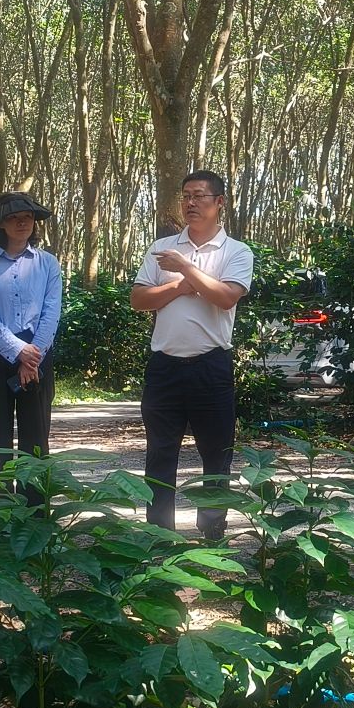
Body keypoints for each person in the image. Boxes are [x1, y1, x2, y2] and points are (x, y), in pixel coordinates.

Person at [132, 171, 254, 539]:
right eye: (186, 195)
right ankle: (159, 535)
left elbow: (226, 296)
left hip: (210, 366)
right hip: (164, 367)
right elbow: (138, 299)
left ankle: (213, 532)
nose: (191, 203)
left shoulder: (236, 252)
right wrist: (182, 286)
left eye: (200, 195)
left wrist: (185, 268)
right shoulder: (162, 248)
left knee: (216, 455)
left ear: (220, 202)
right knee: (159, 454)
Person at [0, 190, 63, 485]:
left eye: (27, 217)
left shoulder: (48, 263)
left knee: (35, 442)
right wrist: (19, 350)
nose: (22, 223)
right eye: (13, 217)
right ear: (0, 223)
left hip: (38, 357)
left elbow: (51, 313)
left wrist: (31, 357)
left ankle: (34, 507)